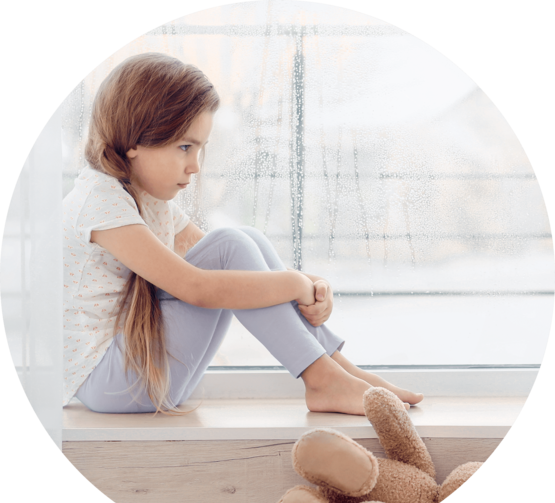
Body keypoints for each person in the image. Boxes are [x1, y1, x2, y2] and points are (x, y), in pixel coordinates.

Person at [63, 52, 423, 415]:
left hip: (136, 375)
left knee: (245, 239)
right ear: (134, 141)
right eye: (185, 147)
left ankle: (340, 371)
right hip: (114, 380)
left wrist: (306, 284)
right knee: (231, 243)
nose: (195, 166)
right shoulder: (100, 202)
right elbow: (198, 288)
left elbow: (237, 266)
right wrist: (294, 284)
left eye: (200, 149)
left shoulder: (146, 199)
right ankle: (323, 380)